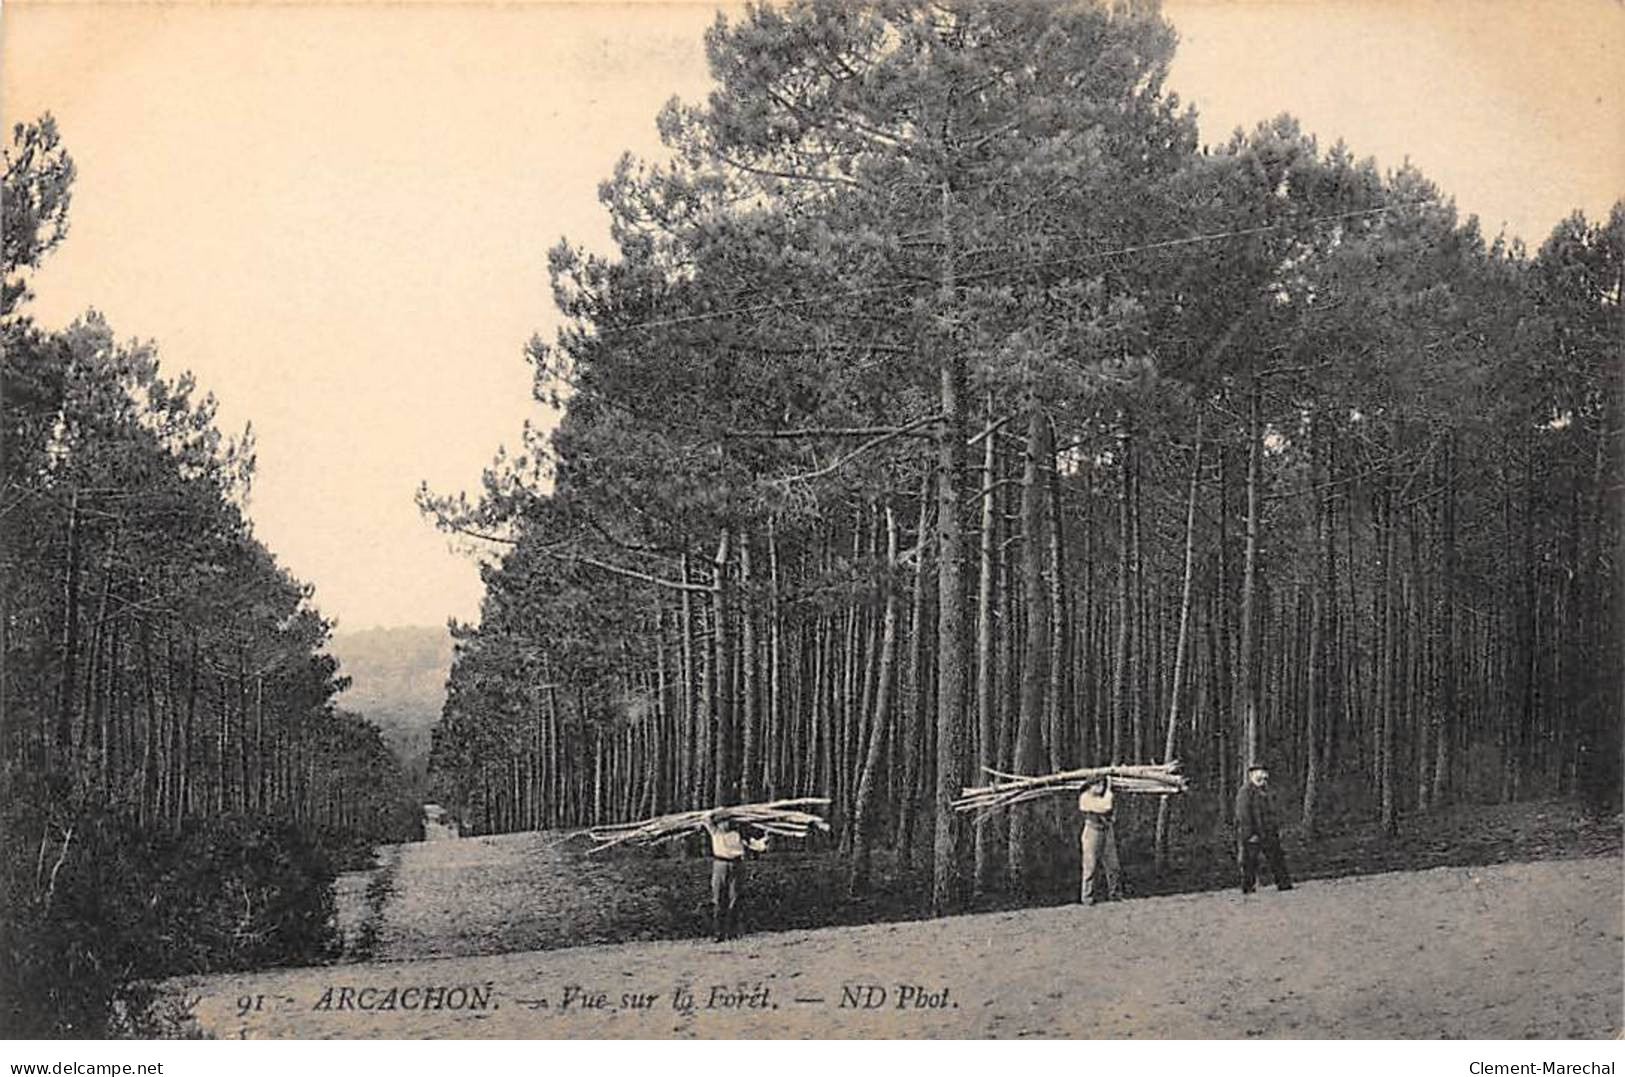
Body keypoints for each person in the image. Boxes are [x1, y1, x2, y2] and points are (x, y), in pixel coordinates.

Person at [701, 812, 768, 941]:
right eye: (722, 822)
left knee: (735, 898)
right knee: (718, 899)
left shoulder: (738, 835)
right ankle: (718, 933)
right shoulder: (715, 832)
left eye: (727, 821)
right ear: (719, 823)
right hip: (720, 864)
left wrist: (764, 840)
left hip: (736, 865)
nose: (725, 824)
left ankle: (732, 932)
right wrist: (717, 811)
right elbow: (705, 818)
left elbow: (756, 846)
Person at [1234, 762, 1293, 894]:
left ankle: (1284, 884)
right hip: (1254, 833)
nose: (1263, 774)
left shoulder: (1266, 790)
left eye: (1264, 771)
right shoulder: (1245, 791)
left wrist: (1275, 827)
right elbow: (1243, 815)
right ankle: (1248, 888)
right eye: (1259, 772)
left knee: (1277, 858)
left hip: (1269, 832)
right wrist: (1250, 834)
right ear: (1252, 774)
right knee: (1250, 862)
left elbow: (1273, 811)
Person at [1077, 777, 1122, 904]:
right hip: (1092, 831)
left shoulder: (1102, 796)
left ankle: (1115, 894)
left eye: (1102, 784)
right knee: (1090, 866)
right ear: (1089, 786)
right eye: (1097, 785)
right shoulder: (1085, 798)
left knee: (1113, 864)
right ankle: (1087, 898)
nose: (1100, 787)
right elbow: (1105, 806)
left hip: (1106, 830)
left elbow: (1110, 810)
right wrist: (1109, 790)